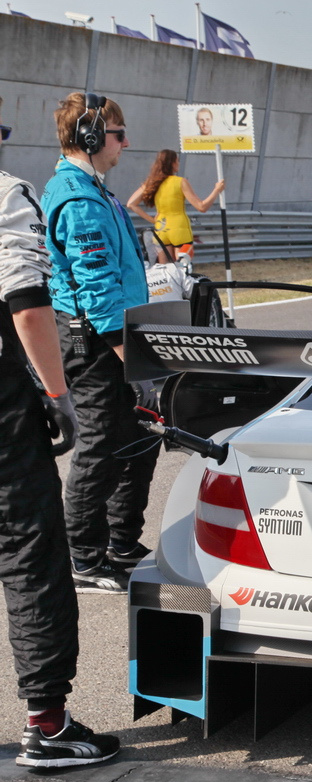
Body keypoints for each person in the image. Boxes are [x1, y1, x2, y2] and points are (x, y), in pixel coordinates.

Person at [1, 94, 120, 768]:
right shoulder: (7, 194)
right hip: (4, 405)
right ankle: (47, 726)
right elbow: (27, 303)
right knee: (30, 552)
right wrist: (57, 393)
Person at [41, 92, 158, 592]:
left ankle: (121, 542)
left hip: (114, 335)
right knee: (101, 445)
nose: (125, 143)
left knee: (140, 438)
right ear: (90, 137)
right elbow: (97, 291)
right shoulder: (79, 199)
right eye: (118, 134)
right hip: (95, 342)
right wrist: (132, 359)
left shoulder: (96, 190)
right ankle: (84, 558)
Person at [125, 149, 224, 263]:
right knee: (182, 268)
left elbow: (131, 204)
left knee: (165, 270)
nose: (178, 163)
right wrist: (217, 190)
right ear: (172, 163)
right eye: (177, 160)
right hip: (179, 228)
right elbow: (202, 207)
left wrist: (153, 220)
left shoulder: (152, 183)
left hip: (161, 228)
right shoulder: (180, 182)